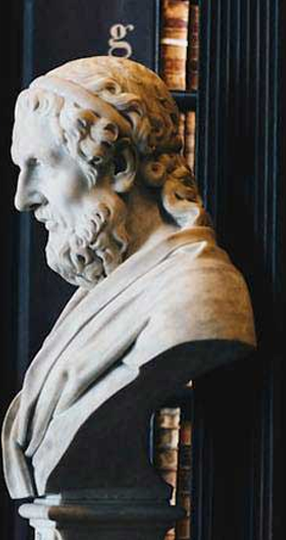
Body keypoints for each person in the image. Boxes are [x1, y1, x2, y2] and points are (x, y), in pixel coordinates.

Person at [2, 56, 256, 499]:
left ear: (118, 164)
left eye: (41, 165)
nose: (24, 198)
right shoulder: (101, 291)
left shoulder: (198, 294)